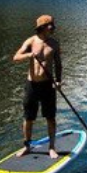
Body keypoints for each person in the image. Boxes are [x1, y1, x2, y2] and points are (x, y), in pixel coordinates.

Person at [13, 14, 63, 159]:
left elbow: (59, 65)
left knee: (50, 117)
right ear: (42, 27)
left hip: (48, 85)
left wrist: (59, 81)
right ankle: (27, 146)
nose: (53, 28)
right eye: (50, 25)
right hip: (32, 85)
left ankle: (52, 148)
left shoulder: (54, 43)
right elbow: (16, 57)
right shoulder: (30, 41)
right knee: (28, 118)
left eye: (53, 25)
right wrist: (29, 55)